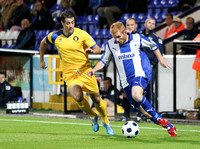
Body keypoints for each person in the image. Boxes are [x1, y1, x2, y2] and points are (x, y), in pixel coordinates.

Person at [88, 22, 177, 137]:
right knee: (144, 111)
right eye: (114, 37)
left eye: (119, 37)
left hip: (139, 73)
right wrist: (94, 70)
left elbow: (153, 46)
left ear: (125, 32)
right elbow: (104, 60)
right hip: (125, 81)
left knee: (136, 95)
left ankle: (162, 120)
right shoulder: (111, 44)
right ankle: (168, 125)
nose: (117, 40)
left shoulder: (137, 38)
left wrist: (161, 59)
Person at [39, 11, 114, 135]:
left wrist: (93, 51)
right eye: (68, 23)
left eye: (72, 22)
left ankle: (106, 121)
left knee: (96, 99)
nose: (71, 25)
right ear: (62, 23)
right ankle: (92, 115)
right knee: (78, 97)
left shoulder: (82, 34)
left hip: (85, 71)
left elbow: (97, 48)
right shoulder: (54, 36)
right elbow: (43, 43)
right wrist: (41, 59)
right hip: (70, 74)